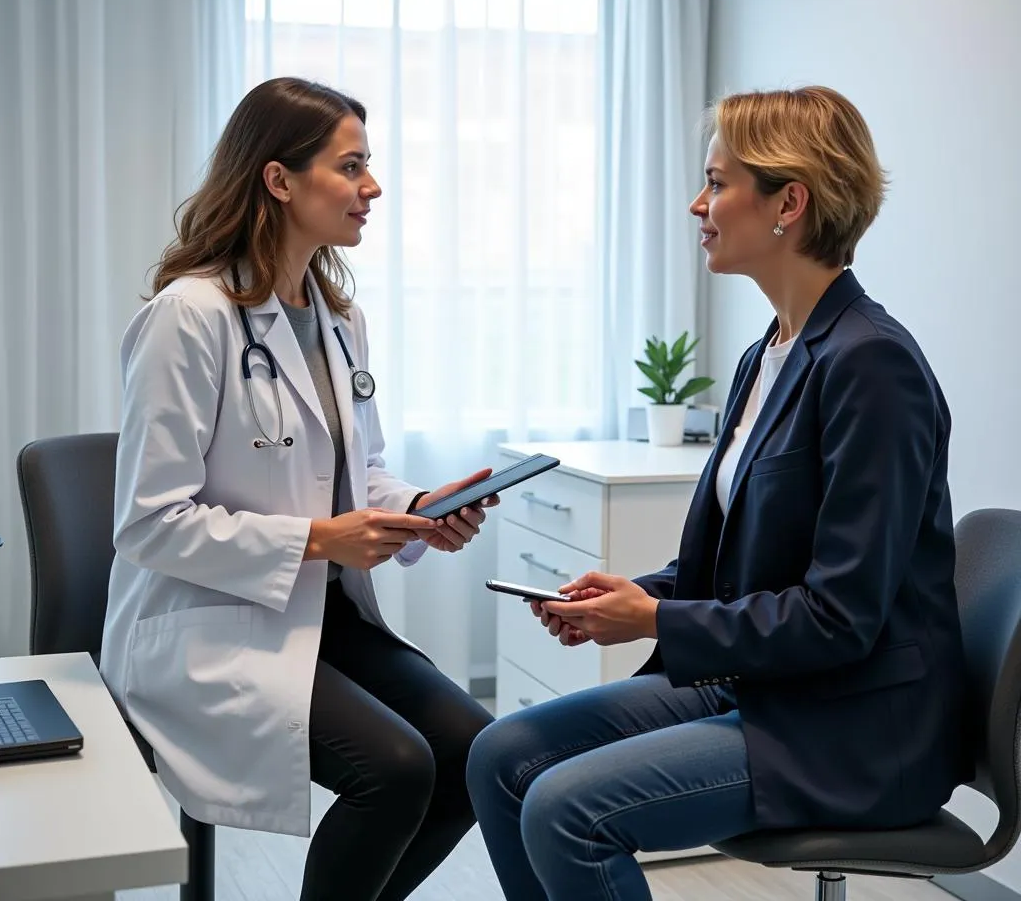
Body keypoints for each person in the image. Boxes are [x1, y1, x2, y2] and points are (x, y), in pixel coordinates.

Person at [465, 86, 972, 900]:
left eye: (717, 183)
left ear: (790, 203)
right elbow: (741, 570)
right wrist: (639, 595)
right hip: (769, 687)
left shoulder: (872, 366)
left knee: (564, 808)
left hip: (854, 727)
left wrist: (658, 621)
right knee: (502, 756)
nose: (698, 205)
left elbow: (840, 618)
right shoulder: (768, 354)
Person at [100, 77, 497, 901]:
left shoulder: (335, 315)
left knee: (475, 752)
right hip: (209, 625)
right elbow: (148, 522)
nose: (373, 187)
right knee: (393, 769)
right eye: (351, 167)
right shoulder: (192, 315)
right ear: (279, 180)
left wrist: (416, 511)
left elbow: (361, 473)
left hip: (320, 614)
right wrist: (320, 540)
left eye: (370, 166)